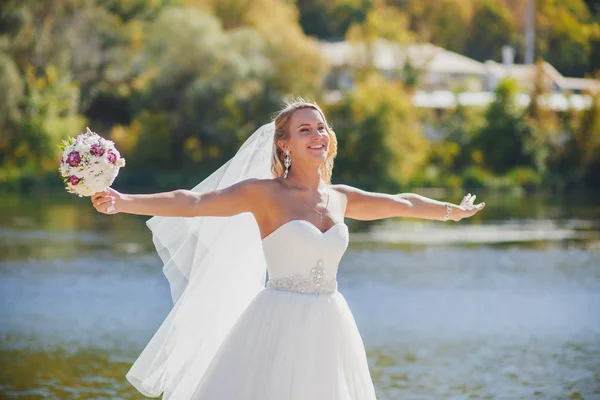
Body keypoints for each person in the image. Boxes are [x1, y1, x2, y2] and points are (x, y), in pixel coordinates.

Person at [91, 99, 485, 399]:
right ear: (284, 145)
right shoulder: (265, 195)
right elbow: (192, 203)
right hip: (276, 321)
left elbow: (402, 203)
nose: (318, 136)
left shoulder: (340, 198)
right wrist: (123, 201)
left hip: (331, 322)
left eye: (321, 128)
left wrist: (452, 211)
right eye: (305, 131)